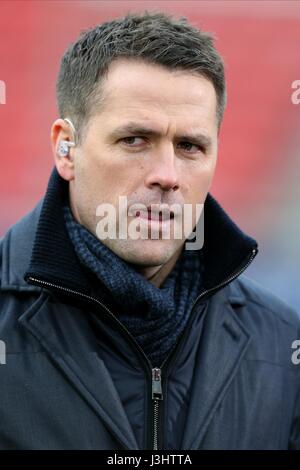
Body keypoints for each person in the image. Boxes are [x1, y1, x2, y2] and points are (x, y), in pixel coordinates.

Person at [0, 11, 299, 450]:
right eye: (135, 140)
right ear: (66, 149)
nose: (167, 174)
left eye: (189, 146)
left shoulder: (282, 343)